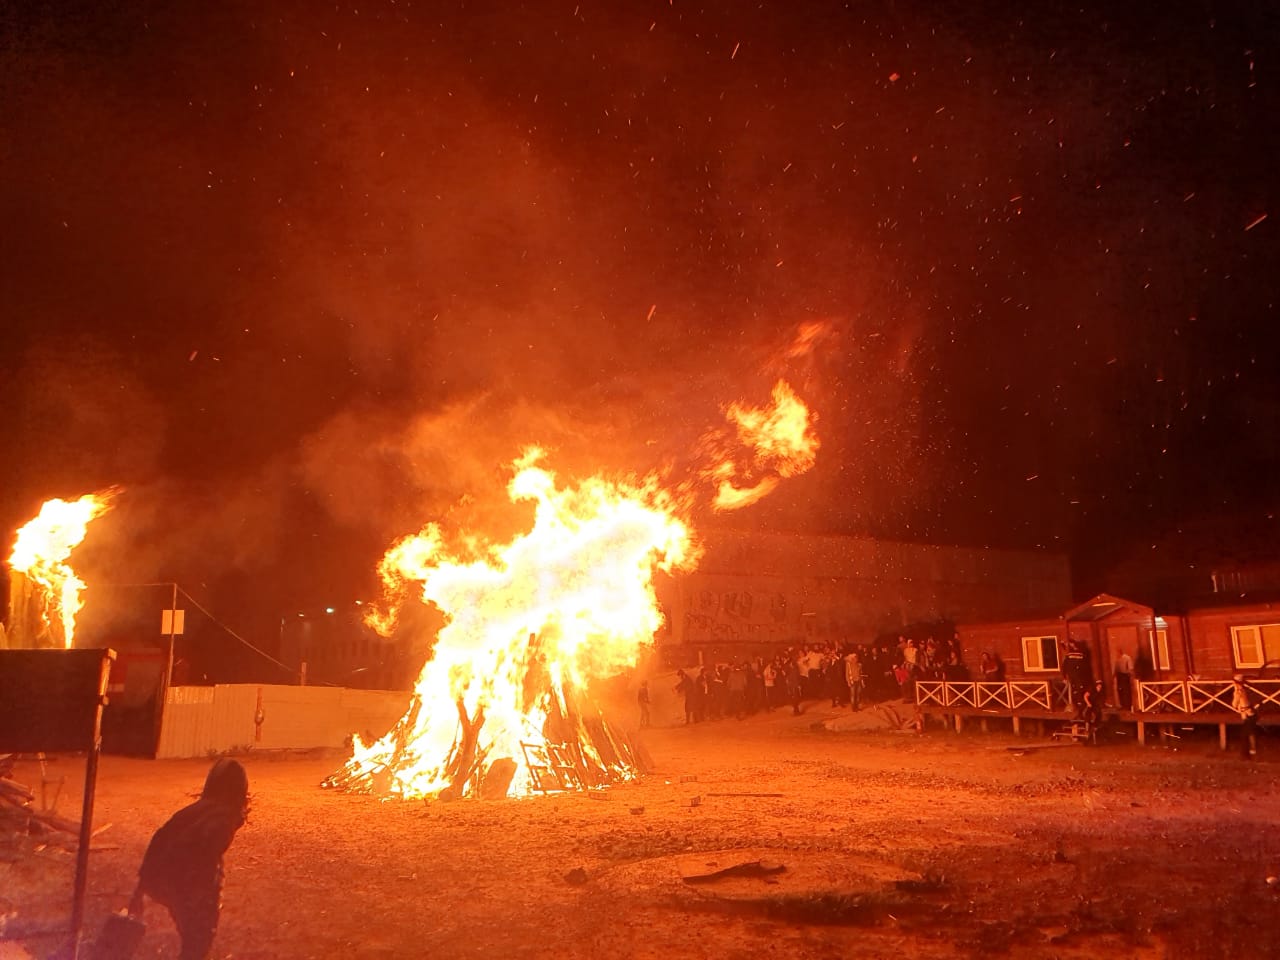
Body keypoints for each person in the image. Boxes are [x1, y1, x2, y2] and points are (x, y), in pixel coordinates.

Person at [131, 758, 249, 960]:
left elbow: (160, 838)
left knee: (192, 938)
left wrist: (142, 884)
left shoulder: (196, 810)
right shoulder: (223, 817)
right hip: (184, 882)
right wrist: (204, 899)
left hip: (164, 877)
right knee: (197, 943)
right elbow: (204, 856)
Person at [1232, 674, 1259, 759]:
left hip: (1247, 715)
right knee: (1250, 733)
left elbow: (1234, 704)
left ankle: (1246, 753)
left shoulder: (1238, 692)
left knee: (1245, 734)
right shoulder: (1245, 689)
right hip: (1252, 713)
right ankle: (1252, 751)